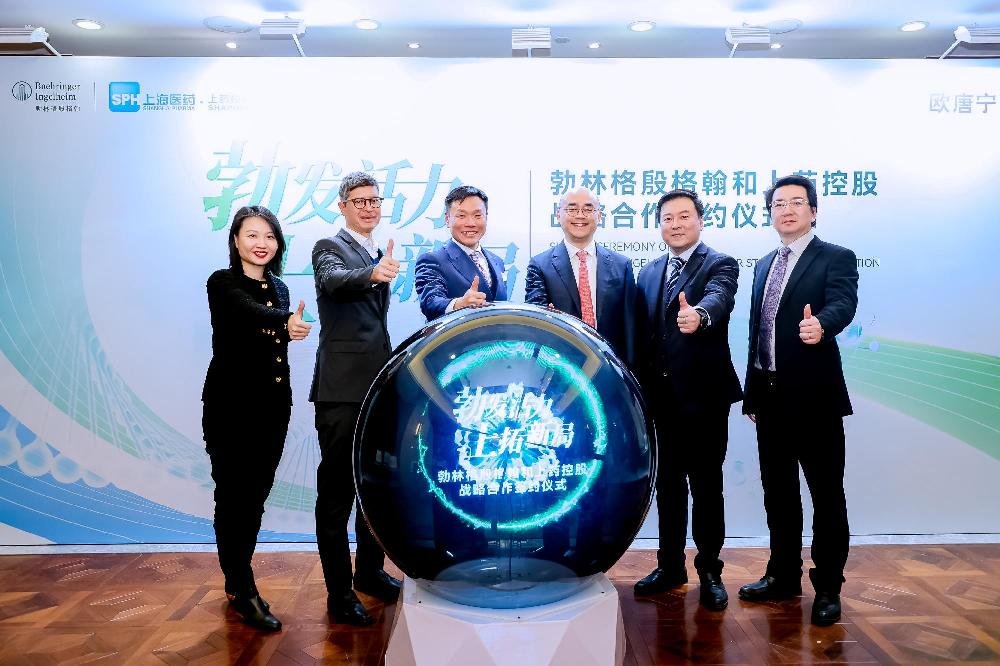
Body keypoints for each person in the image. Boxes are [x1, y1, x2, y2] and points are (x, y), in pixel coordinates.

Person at [738, 174, 859, 627]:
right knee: (779, 494)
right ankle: (783, 575)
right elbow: (759, 332)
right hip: (769, 397)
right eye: (778, 204)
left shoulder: (836, 257)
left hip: (814, 398)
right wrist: (753, 393)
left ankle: (828, 587)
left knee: (826, 495)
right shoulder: (764, 264)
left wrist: (822, 324)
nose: (786, 210)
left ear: (813, 211)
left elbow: (843, 303)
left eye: (796, 202)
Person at [202, 205, 312, 631]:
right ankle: (242, 586)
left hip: (272, 407)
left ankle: (237, 580)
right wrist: (285, 321)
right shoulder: (222, 282)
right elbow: (246, 312)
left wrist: (290, 327)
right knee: (234, 496)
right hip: (231, 408)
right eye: (252, 235)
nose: (261, 243)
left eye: (269, 236)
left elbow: (275, 335)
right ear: (235, 240)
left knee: (255, 497)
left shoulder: (280, 288)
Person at [633, 189, 743, 611]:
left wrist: (700, 315)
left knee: (707, 486)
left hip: (704, 398)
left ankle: (710, 571)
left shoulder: (719, 263)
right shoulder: (649, 272)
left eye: (684, 216)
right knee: (668, 487)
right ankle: (670, 566)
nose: (676, 224)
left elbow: (719, 297)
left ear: (700, 220)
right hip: (660, 400)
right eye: (668, 218)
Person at [310, 172, 402, 626]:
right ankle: (339, 593)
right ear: (343, 206)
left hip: (377, 387)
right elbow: (334, 281)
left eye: (374, 200)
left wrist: (375, 267)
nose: (368, 208)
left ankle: (369, 572)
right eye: (359, 201)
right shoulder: (328, 247)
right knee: (337, 494)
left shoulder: (375, 250)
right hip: (342, 391)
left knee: (373, 487)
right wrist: (372, 273)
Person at [525, 186, 636, 366]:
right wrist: (547, 318)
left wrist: (629, 369)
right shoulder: (540, 265)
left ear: (599, 215)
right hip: (560, 367)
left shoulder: (622, 265)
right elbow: (535, 323)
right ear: (558, 215)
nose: (580, 215)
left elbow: (630, 327)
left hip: (610, 367)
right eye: (572, 209)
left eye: (588, 209)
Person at [414, 185, 508, 320]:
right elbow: (431, 302)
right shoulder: (432, 260)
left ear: (486, 217)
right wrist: (459, 304)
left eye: (477, 215)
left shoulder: (497, 261)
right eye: (462, 216)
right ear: (447, 219)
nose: (470, 223)